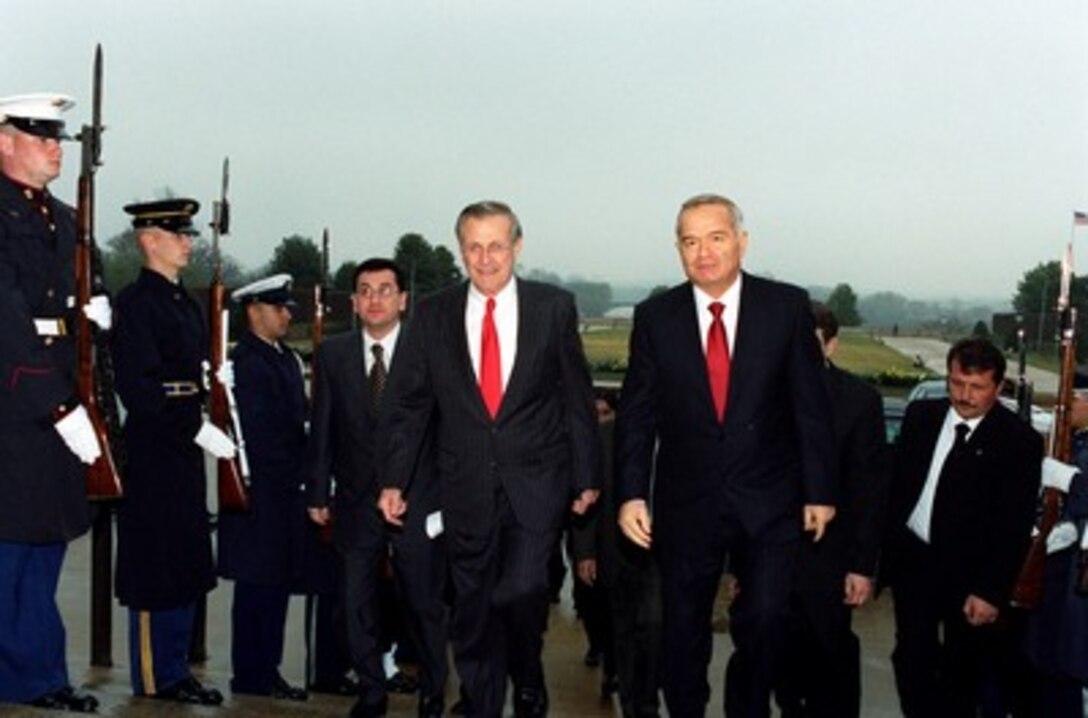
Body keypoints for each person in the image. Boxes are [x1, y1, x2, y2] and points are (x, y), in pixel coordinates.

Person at [615, 193, 836, 718]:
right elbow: (637, 415)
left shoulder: (786, 308)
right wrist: (630, 494)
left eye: (715, 237)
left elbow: (810, 406)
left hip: (770, 500)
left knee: (765, 619)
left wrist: (820, 491)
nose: (703, 252)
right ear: (678, 250)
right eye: (690, 242)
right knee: (682, 630)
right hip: (686, 502)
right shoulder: (655, 317)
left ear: (742, 240)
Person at [378, 200, 601, 718]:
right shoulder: (433, 313)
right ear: (461, 251)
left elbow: (576, 398)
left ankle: (526, 673)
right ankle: (481, 702)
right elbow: (411, 404)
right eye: (473, 247)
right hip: (465, 483)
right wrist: (395, 480)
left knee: (522, 591)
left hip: (537, 483)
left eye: (496, 245)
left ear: (517, 246)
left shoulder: (553, 307)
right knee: (473, 605)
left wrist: (587, 474)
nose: (485, 258)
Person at [307, 258, 449, 718]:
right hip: (354, 501)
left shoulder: (430, 352)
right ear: (353, 301)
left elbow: (446, 430)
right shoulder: (333, 354)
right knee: (354, 605)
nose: (374, 299)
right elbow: (323, 429)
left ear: (403, 299)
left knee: (423, 602)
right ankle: (371, 691)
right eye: (365, 291)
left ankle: (432, 690)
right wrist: (317, 494)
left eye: (385, 290)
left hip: (417, 500)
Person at [0, 94, 102, 712]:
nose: (54, 147)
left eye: (56, 137)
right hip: (17, 403)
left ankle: (40, 674)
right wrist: (55, 404)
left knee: (45, 549)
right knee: (12, 553)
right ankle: (30, 679)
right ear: (4, 140)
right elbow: (6, 317)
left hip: (63, 394)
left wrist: (100, 312)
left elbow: (78, 300)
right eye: (39, 136)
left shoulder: (65, 220)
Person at [112, 198, 234, 705]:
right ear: (148, 240)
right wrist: (194, 422)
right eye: (177, 234)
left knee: (184, 559)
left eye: (188, 234)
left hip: (182, 446)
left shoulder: (185, 302)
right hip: (153, 448)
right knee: (152, 566)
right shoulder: (137, 304)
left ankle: (175, 668)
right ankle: (153, 677)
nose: (188, 242)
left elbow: (191, 377)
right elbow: (140, 390)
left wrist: (213, 392)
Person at [883, 337, 1041, 717]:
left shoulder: (1018, 441)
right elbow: (896, 488)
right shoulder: (921, 417)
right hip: (915, 563)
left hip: (971, 576)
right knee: (910, 658)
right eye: (957, 383)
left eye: (977, 387)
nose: (965, 395)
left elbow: (1013, 525)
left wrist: (990, 591)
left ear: (999, 387)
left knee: (961, 671)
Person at [775, 302, 889, 718]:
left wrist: (862, 566)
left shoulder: (859, 402)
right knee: (778, 664)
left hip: (830, 563)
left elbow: (868, 491)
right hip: (772, 559)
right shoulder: (760, 394)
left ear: (832, 345)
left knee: (829, 661)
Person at [215, 273, 311, 701]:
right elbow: (263, 431)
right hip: (262, 490)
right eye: (279, 307)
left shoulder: (285, 358)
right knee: (257, 586)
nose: (287, 314)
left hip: (286, 490)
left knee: (275, 584)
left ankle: (265, 669)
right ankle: (252, 674)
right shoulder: (249, 363)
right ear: (254, 311)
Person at [571, 392, 662, 717]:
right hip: (617, 550)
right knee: (624, 629)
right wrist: (584, 551)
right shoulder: (606, 436)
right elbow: (588, 494)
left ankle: (646, 700)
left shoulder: (685, 437)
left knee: (653, 626)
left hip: (665, 556)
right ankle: (632, 700)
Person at [1025, 391, 1088, 717]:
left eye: (1077, 396)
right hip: (1061, 577)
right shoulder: (1077, 442)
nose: (1069, 404)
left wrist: (1074, 482)